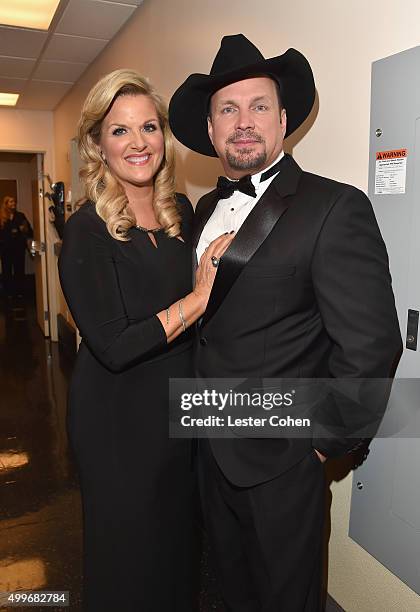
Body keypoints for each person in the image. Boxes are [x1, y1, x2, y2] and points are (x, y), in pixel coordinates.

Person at [169, 35, 403, 611]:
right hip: (207, 449)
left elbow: (371, 345)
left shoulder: (334, 207)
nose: (243, 121)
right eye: (228, 108)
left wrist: (321, 448)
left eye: (259, 106)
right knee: (232, 590)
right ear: (211, 125)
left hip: (284, 462)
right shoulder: (202, 210)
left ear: (283, 119)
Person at [58, 69, 233, 612]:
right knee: (130, 556)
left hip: (176, 409)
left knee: (178, 550)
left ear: (164, 136)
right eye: (120, 130)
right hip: (117, 418)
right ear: (97, 144)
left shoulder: (179, 211)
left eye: (149, 127)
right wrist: (196, 300)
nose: (138, 143)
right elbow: (113, 344)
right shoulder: (86, 230)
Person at [0, 195, 33, 298]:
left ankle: (20, 292)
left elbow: (30, 231)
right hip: (5, 249)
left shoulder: (20, 216)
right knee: (6, 271)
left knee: (19, 270)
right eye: (10, 202)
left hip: (18, 248)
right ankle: (8, 293)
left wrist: (24, 229)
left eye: (14, 202)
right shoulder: (1, 217)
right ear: (5, 204)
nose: (13, 204)